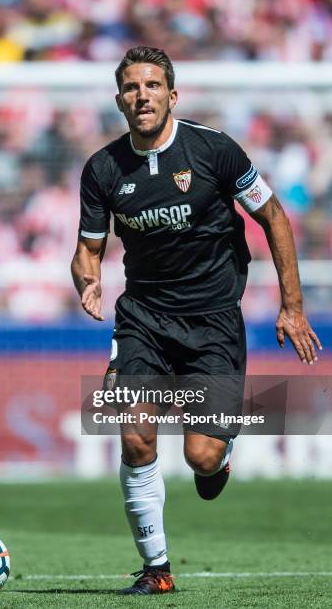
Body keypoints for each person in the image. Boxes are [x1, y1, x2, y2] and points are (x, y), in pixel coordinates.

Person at [71, 46, 322, 595]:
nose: (143, 96)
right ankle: (157, 571)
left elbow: (273, 215)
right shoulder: (103, 169)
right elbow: (87, 250)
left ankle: (220, 458)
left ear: (172, 95)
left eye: (153, 86)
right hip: (142, 320)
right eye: (133, 88)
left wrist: (292, 305)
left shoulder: (215, 151)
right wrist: (87, 280)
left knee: (200, 456)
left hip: (213, 323)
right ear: (120, 100)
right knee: (134, 433)